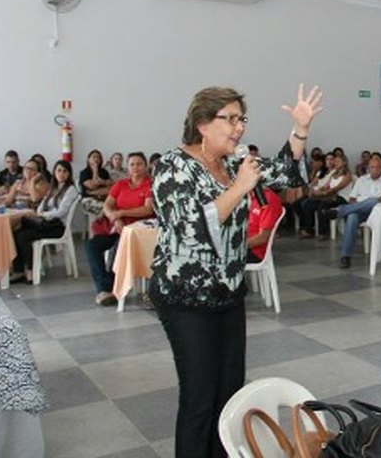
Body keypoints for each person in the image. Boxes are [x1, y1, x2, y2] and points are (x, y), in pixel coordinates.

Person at [147, 84, 320, 458]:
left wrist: (301, 129)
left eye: (242, 119)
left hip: (227, 292)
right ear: (203, 123)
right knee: (199, 395)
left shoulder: (232, 163)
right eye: (230, 119)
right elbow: (190, 230)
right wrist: (240, 188)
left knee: (229, 391)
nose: (239, 128)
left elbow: (289, 175)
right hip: (185, 296)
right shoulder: (172, 166)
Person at [85, 152, 154, 307]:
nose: (135, 167)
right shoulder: (121, 184)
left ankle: (110, 287)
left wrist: (122, 212)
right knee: (92, 246)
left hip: (137, 232)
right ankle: (104, 289)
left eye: (139, 164)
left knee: (119, 247)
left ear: (145, 166)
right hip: (116, 228)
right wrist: (115, 219)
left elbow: (147, 209)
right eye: (132, 164)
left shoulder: (150, 184)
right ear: (127, 167)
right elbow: (107, 205)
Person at [9, 160, 80, 283]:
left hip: (57, 227)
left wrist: (42, 214)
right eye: (58, 170)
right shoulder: (53, 188)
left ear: (69, 174)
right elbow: (42, 205)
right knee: (19, 234)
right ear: (54, 172)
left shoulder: (70, 190)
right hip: (45, 224)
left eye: (64, 171)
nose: (61, 174)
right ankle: (21, 270)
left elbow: (61, 212)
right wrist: (39, 213)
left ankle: (29, 271)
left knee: (23, 225)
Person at [326, 153, 381, 269]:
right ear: (368, 168)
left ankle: (340, 211)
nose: (375, 170)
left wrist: (362, 203)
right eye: (372, 167)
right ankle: (345, 257)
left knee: (373, 201)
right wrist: (359, 205)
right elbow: (352, 199)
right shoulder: (362, 180)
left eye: (377, 167)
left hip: (377, 212)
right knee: (352, 217)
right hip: (361, 211)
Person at [297, 153, 353, 239]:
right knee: (308, 203)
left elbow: (336, 188)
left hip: (342, 198)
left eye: (338, 161)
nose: (335, 163)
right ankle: (309, 229)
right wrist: (317, 191)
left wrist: (323, 193)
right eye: (335, 161)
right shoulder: (334, 174)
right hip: (331, 196)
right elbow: (326, 186)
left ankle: (323, 232)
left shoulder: (347, 175)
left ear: (344, 163)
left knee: (322, 205)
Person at [247, 187, 282, 263]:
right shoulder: (250, 196)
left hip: (254, 251)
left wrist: (237, 247)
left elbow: (263, 238)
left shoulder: (267, 199)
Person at [79, 149, 114, 216]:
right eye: (94, 157)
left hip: (104, 198)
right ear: (88, 159)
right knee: (107, 210)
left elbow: (110, 187)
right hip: (88, 199)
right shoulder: (84, 172)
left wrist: (93, 191)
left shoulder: (104, 172)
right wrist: (95, 171)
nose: (96, 159)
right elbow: (92, 186)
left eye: (98, 157)